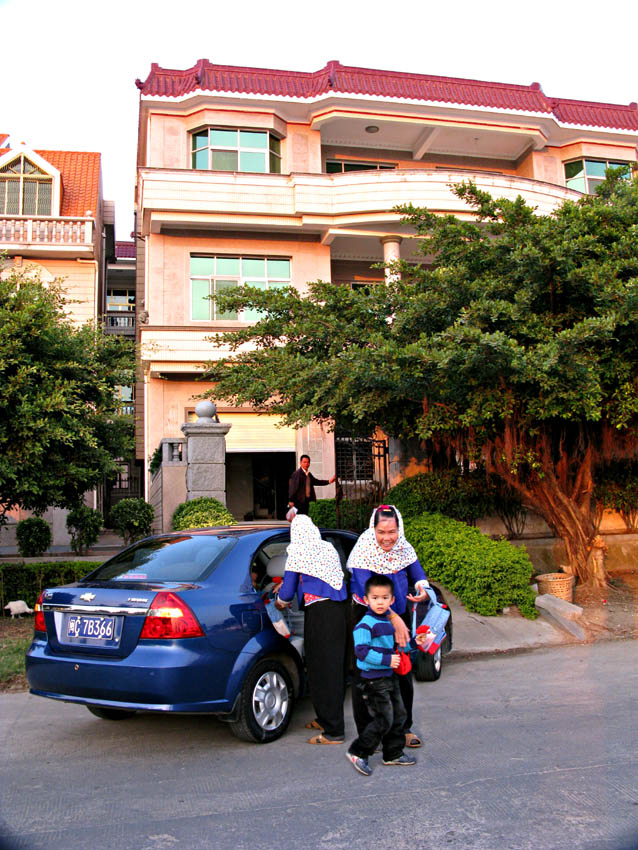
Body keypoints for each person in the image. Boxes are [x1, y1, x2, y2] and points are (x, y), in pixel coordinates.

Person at [347, 504, 430, 749]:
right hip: (367, 617)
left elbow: (418, 574)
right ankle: (368, 734)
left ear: (399, 528)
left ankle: (403, 729)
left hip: (398, 616)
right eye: (381, 532)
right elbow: (370, 593)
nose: (387, 538)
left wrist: (423, 590)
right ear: (373, 528)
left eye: (391, 531)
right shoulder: (364, 549)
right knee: (367, 673)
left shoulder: (403, 547)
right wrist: (394, 620)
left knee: (402, 672)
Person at [275, 513, 348, 744]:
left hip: (321, 614)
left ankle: (334, 731)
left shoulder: (297, 552)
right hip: (339, 611)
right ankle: (325, 718)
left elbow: (286, 593)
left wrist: (279, 602)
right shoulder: (327, 548)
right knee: (331, 668)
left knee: (322, 669)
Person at [346, 574, 428, 776]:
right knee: (384, 718)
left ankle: (392, 753)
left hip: (389, 676)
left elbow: (401, 645)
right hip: (373, 679)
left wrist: (417, 641)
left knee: (399, 714)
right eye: (375, 598)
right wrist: (386, 660)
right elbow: (362, 652)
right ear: (366, 600)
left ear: (392, 601)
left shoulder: (390, 624)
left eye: (384, 598)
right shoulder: (365, 625)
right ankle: (359, 752)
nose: (380, 602)